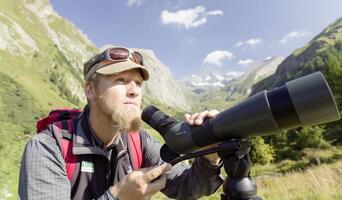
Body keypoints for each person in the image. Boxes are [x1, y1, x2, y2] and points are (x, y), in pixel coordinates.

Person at [18, 46, 223, 200]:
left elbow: (186, 186)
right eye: (121, 80)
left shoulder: (138, 141)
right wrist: (117, 197)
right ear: (90, 90)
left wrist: (210, 156)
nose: (134, 91)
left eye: (138, 84)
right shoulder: (48, 146)